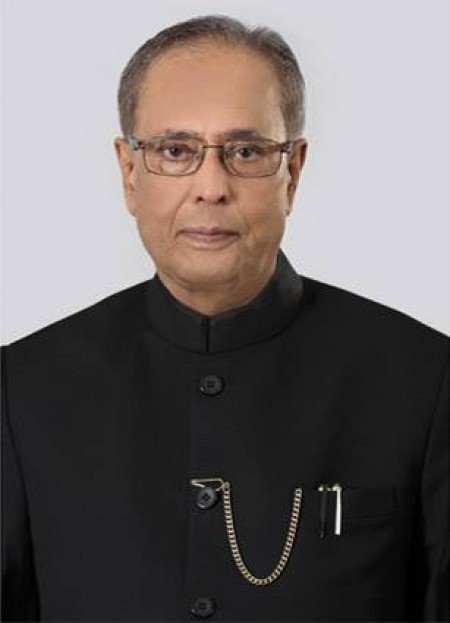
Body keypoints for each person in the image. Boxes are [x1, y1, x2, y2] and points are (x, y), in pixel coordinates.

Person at [1, 14, 448, 622]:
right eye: (175, 151)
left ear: (292, 171)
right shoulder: (21, 390)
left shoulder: (425, 381)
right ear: (129, 172)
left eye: (246, 151)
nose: (211, 187)